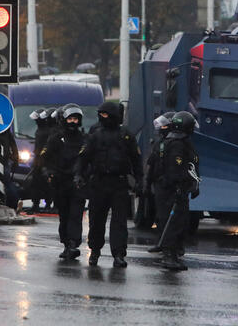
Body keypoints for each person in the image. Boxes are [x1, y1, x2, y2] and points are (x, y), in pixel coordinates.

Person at [75, 100, 142, 267]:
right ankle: (95, 251)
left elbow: (136, 159)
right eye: (101, 114)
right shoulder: (95, 136)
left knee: (119, 222)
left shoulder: (126, 136)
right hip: (99, 182)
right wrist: (79, 175)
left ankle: (119, 254)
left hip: (119, 183)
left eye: (105, 114)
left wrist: (140, 180)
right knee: (96, 220)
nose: (102, 117)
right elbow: (83, 158)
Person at [37, 104, 86, 260]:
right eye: (70, 119)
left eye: (76, 119)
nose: (73, 122)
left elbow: (88, 159)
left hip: (77, 183)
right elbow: (44, 157)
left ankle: (73, 243)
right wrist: (48, 172)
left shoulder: (84, 139)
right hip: (60, 182)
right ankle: (66, 243)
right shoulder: (56, 138)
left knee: (76, 215)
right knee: (64, 215)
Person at [155, 111, 200, 271]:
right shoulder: (177, 144)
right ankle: (169, 255)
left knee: (179, 223)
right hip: (173, 190)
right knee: (172, 222)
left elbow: (191, 166)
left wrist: (194, 183)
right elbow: (177, 169)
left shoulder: (177, 141)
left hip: (176, 189)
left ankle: (173, 254)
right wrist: (181, 186)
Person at [143, 111, 174, 248]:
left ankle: (174, 246)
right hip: (160, 184)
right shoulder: (159, 143)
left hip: (172, 185)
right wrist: (147, 183)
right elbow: (151, 164)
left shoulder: (179, 144)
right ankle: (162, 242)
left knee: (174, 218)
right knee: (161, 215)